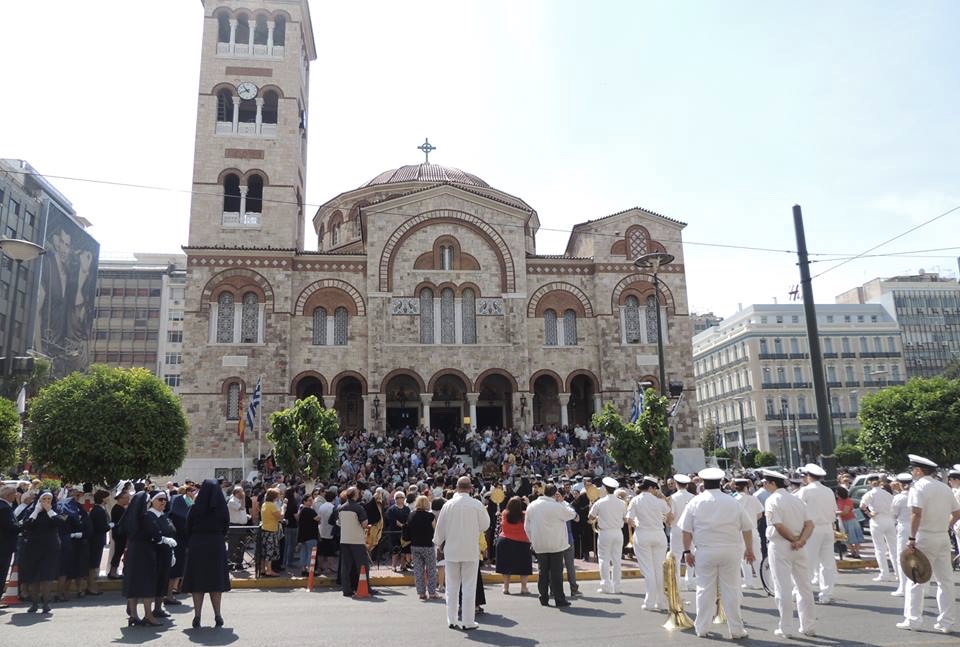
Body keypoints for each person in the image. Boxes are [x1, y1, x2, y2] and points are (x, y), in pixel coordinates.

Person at [679, 467, 754, 639]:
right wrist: (749, 550)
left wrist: (686, 551)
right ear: (721, 482)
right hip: (730, 550)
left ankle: (702, 627)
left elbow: (686, 530)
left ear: (703, 483)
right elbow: (747, 528)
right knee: (732, 590)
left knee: (704, 589)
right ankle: (736, 629)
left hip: (705, 550)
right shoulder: (732, 501)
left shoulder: (695, 502)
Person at [896, 454, 960, 633]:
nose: (913, 473)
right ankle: (946, 622)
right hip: (942, 536)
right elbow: (957, 512)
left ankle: (913, 619)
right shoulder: (944, 487)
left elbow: (916, 513)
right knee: (945, 581)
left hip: (925, 536)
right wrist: (945, 526)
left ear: (918, 470)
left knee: (916, 579)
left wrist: (911, 537)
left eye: (913, 470)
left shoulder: (919, 487)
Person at [762, 468, 816, 638]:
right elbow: (810, 525)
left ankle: (786, 628)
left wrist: (793, 540)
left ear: (772, 483)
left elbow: (777, 525)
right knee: (804, 587)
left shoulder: (772, 500)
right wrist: (801, 541)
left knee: (783, 588)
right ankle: (808, 626)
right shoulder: (796, 499)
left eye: (765, 482)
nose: (763, 485)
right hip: (800, 546)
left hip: (781, 545)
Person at [434, 476, 490, 630]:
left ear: (457, 488)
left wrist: (439, 544)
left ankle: (452, 619)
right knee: (469, 587)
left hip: (451, 551)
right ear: (471, 488)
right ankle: (467, 621)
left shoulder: (448, 505)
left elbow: (440, 529)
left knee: (451, 587)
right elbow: (485, 525)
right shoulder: (476, 504)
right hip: (470, 550)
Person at [182, 479, 231, 629]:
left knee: (198, 582)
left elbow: (188, 528)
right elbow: (225, 527)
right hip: (216, 544)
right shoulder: (222, 509)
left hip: (197, 544)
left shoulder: (195, 508)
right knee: (215, 581)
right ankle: (218, 615)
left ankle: (197, 615)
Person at [122, 490, 175, 626]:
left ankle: (133, 615)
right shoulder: (146, 517)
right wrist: (165, 540)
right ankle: (148, 615)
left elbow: (120, 530)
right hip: (145, 552)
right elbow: (156, 535)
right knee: (147, 585)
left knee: (133, 584)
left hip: (133, 551)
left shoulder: (129, 516)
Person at [524, 483, 575, 608]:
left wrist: (532, 540)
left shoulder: (532, 505)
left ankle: (543, 597)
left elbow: (527, 527)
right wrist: (561, 502)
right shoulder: (557, 506)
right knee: (556, 572)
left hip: (540, 543)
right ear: (554, 493)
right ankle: (559, 599)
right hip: (556, 543)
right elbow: (571, 514)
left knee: (543, 571)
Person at [626, 476, 671, 611]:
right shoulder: (659, 501)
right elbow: (670, 516)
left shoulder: (635, 500)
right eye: (654, 488)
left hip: (643, 534)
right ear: (651, 488)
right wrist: (661, 519)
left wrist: (638, 525)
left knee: (648, 570)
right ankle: (661, 602)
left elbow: (629, 519)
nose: (655, 491)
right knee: (658, 569)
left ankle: (650, 602)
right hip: (659, 534)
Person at [797, 463, 838, 604]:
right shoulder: (828, 491)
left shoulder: (805, 491)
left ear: (808, 476)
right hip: (827, 528)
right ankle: (826, 594)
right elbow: (834, 511)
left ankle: (801, 592)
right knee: (827, 563)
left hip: (811, 529)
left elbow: (798, 511)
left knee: (808, 562)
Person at [19, 491, 63, 613]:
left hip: (50, 548)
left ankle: (46, 603)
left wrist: (49, 511)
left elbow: (60, 522)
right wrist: (36, 511)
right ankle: (34, 603)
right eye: (44, 499)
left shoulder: (56, 510)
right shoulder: (31, 510)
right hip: (33, 547)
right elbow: (26, 525)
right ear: (39, 499)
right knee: (34, 577)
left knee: (47, 576)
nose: (47, 501)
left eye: (49, 499)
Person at [589, 476, 626, 594]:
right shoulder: (622, 503)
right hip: (617, 532)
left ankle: (606, 585)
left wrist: (598, 515)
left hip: (605, 532)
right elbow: (624, 519)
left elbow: (590, 517)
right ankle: (617, 586)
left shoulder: (599, 502)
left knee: (604, 559)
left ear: (605, 488)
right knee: (617, 560)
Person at [860, 474, 898, 583]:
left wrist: (869, 514)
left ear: (869, 483)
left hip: (877, 520)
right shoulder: (887, 494)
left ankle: (884, 574)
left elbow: (862, 506)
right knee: (893, 549)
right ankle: (898, 573)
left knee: (880, 549)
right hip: (889, 520)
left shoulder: (870, 494)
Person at [336, 486, 372, 598]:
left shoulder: (340, 508)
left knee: (346, 566)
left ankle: (346, 590)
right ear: (355, 495)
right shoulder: (358, 508)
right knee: (362, 566)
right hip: (357, 540)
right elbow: (364, 524)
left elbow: (339, 523)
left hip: (344, 539)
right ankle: (365, 588)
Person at [495, 496, 532, 595]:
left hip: (505, 541)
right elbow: (532, 513)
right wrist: (528, 503)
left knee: (506, 566)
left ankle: (506, 587)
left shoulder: (504, 514)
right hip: (522, 542)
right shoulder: (524, 515)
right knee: (524, 567)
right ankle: (524, 588)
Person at [149, 491, 176, 620]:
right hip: (154, 554)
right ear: (152, 501)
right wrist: (163, 540)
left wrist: (172, 553)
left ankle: (158, 608)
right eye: (160, 499)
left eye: (165, 500)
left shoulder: (164, 516)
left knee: (162, 581)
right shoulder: (149, 516)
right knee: (152, 582)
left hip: (165, 553)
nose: (163, 502)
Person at [732, 478, 764, 590]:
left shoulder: (734, 500)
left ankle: (748, 581)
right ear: (746, 487)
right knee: (758, 556)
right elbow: (760, 514)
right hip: (753, 529)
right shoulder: (753, 499)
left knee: (742, 558)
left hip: (739, 531)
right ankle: (762, 581)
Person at [407, 494, 440, 600]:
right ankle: (432, 592)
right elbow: (435, 530)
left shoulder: (411, 515)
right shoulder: (430, 516)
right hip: (428, 545)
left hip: (415, 545)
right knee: (431, 569)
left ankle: (421, 592)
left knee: (418, 570)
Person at [669, 474, 695, 591]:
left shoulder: (672, 498)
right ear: (687, 485)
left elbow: (671, 515)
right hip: (691, 529)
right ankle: (690, 582)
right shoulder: (694, 497)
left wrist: (667, 522)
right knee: (691, 554)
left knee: (676, 557)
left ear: (676, 484)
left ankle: (678, 582)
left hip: (676, 529)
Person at [890, 472, 913, 597]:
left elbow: (893, 514)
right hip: (918, 527)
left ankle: (903, 588)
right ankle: (923, 587)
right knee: (918, 557)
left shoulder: (899, 498)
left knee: (902, 558)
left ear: (900, 484)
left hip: (904, 527)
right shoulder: (917, 495)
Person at [86, 489, 112, 596]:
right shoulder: (98, 510)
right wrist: (110, 526)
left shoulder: (97, 509)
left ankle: (92, 586)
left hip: (96, 540)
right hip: (96, 540)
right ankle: (91, 587)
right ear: (102, 499)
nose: (107, 499)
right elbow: (101, 527)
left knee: (94, 564)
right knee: (93, 565)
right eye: (106, 497)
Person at [0, 485, 19, 608]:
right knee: (1, 573)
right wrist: (22, 525)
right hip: (4, 546)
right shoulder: (5, 508)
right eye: (14, 494)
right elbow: (11, 527)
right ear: (8, 495)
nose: (15, 496)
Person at [259, 488, 283, 576]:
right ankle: (269, 570)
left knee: (264, 551)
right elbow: (280, 517)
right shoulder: (272, 505)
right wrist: (284, 508)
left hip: (265, 529)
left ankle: (263, 569)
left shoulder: (264, 504)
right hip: (271, 531)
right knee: (270, 551)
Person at [108, 489, 131, 579]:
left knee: (119, 553)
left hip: (120, 534)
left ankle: (113, 571)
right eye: (126, 498)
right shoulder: (118, 509)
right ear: (120, 498)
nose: (128, 500)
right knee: (118, 553)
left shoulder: (121, 508)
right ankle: (113, 572)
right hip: (119, 534)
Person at [836, 487, 864, 559]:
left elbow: (845, 512)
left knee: (855, 538)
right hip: (842, 521)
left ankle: (857, 553)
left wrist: (835, 512)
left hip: (851, 520)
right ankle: (852, 552)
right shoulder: (838, 500)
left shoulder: (848, 500)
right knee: (846, 538)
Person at [315, 490, 338, 577]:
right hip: (330, 532)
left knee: (321, 551)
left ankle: (320, 567)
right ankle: (330, 567)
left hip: (321, 530)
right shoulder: (333, 508)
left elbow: (319, 518)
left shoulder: (322, 507)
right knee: (330, 552)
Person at [226, 486, 249, 571]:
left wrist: (246, 517)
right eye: (241, 492)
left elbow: (241, 511)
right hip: (235, 526)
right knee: (233, 546)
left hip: (242, 526)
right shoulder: (232, 502)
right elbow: (242, 508)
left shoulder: (240, 501)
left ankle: (239, 563)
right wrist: (243, 498)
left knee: (241, 545)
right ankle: (230, 564)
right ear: (236, 493)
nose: (243, 493)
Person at [295, 493, 319, 577]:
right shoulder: (310, 510)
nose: (311, 502)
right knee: (310, 553)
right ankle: (309, 569)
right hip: (311, 535)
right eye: (309, 500)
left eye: (312, 500)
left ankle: (303, 569)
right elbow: (318, 519)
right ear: (304, 501)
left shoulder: (302, 510)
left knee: (304, 552)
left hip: (303, 535)